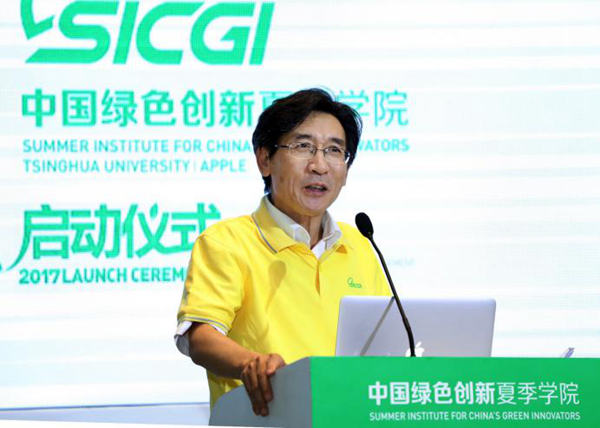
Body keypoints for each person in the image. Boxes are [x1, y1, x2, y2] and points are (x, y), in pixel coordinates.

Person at [174, 88, 389, 416]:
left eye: (334, 150)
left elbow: (388, 342)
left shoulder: (359, 244)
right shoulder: (227, 241)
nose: (319, 165)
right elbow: (200, 336)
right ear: (264, 159)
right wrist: (252, 363)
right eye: (303, 147)